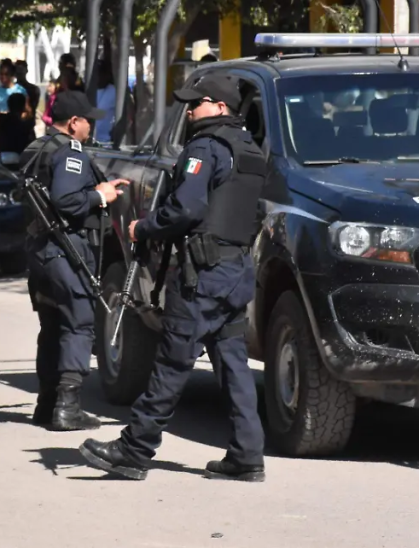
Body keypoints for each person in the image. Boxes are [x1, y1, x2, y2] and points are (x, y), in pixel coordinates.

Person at [78, 73, 268, 482]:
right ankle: (247, 455)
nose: (189, 110)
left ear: (219, 108)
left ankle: (134, 450)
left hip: (203, 275)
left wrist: (142, 229)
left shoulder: (206, 146)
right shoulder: (249, 150)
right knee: (233, 364)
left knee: (171, 361)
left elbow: (186, 209)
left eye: (196, 103)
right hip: (235, 272)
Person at [20, 90, 129, 431]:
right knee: (79, 322)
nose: (91, 127)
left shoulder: (39, 148)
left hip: (40, 249)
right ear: (73, 123)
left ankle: (47, 404)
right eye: (87, 121)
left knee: (52, 325)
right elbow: (66, 199)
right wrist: (101, 195)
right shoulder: (70, 153)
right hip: (63, 248)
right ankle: (67, 408)